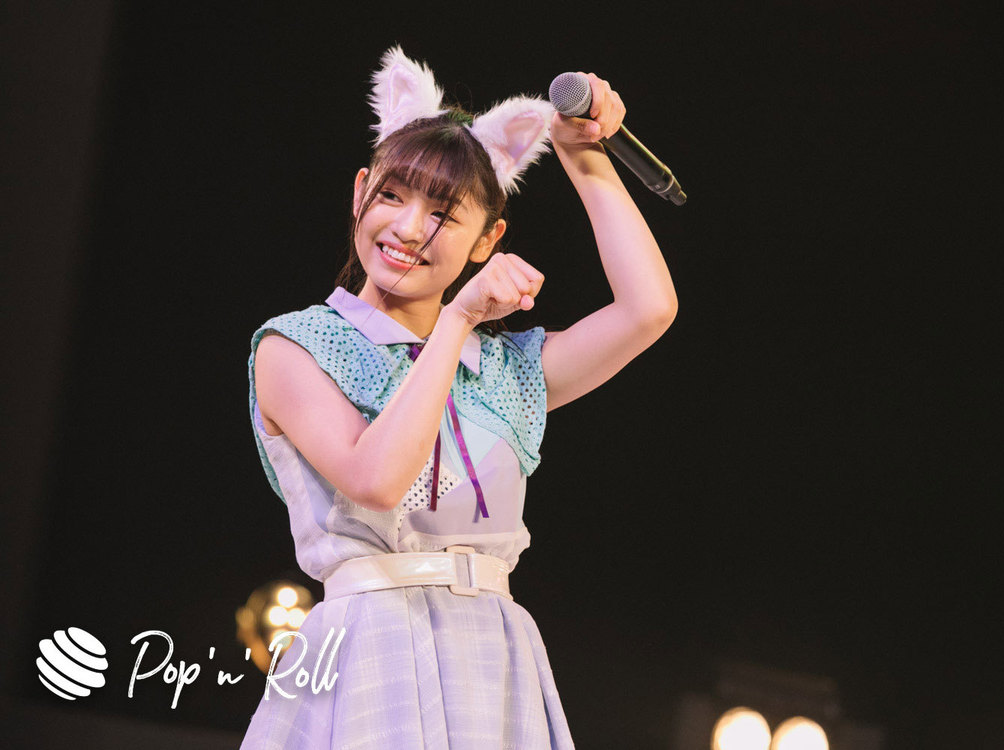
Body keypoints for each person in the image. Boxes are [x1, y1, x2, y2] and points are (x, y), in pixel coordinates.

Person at [240, 47, 677, 749]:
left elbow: (648, 308)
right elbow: (376, 480)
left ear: (487, 240)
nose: (409, 228)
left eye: (443, 213)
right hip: (368, 644)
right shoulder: (296, 346)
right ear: (360, 193)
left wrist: (582, 156)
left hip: (493, 654)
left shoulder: (504, 370)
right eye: (392, 195)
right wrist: (457, 320)